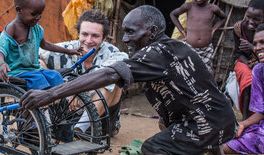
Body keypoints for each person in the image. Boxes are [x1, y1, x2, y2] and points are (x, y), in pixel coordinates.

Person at [20, 5, 237, 155]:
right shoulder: (175, 47)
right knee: (175, 136)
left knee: (152, 148)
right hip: (220, 118)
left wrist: (49, 94)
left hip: (203, 123)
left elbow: (109, 74)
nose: (125, 39)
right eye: (124, 32)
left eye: (131, 32)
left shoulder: (154, 54)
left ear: (151, 32)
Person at [39, 9, 128, 136]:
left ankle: (79, 131)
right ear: (78, 34)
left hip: (102, 121)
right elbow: (36, 55)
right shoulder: (69, 49)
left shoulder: (111, 52)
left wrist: (81, 86)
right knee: (39, 67)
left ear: (104, 38)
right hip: (68, 115)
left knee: (113, 78)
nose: (89, 40)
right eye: (85, 34)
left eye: (95, 36)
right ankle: (48, 124)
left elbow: (124, 59)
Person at [0, 0, 81, 90]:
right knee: (38, 80)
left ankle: (57, 102)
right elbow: (0, 49)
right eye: (34, 14)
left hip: (34, 69)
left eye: (40, 13)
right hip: (15, 72)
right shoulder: (12, 28)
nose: (38, 17)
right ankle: (38, 102)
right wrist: (2, 64)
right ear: (19, 10)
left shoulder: (37, 29)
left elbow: (45, 45)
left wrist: (69, 51)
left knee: (55, 76)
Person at [223, 23, 264, 154]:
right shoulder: (259, 71)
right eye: (256, 44)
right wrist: (243, 124)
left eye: (262, 42)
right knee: (223, 146)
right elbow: (260, 112)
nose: (257, 48)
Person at [170, 0, 226, 72]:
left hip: (206, 49)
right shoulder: (188, 6)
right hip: (190, 47)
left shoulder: (213, 8)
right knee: (190, 72)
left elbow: (223, 17)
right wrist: (182, 31)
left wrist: (214, 29)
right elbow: (173, 14)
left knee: (206, 73)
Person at [232, 0, 264, 120]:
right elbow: (237, 52)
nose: (251, 21)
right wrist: (248, 63)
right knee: (248, 77)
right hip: (244, 61)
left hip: (261, 61)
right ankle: (246, 116)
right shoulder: (238, 28)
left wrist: (252, 47)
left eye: (256, 19)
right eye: (248, 17)